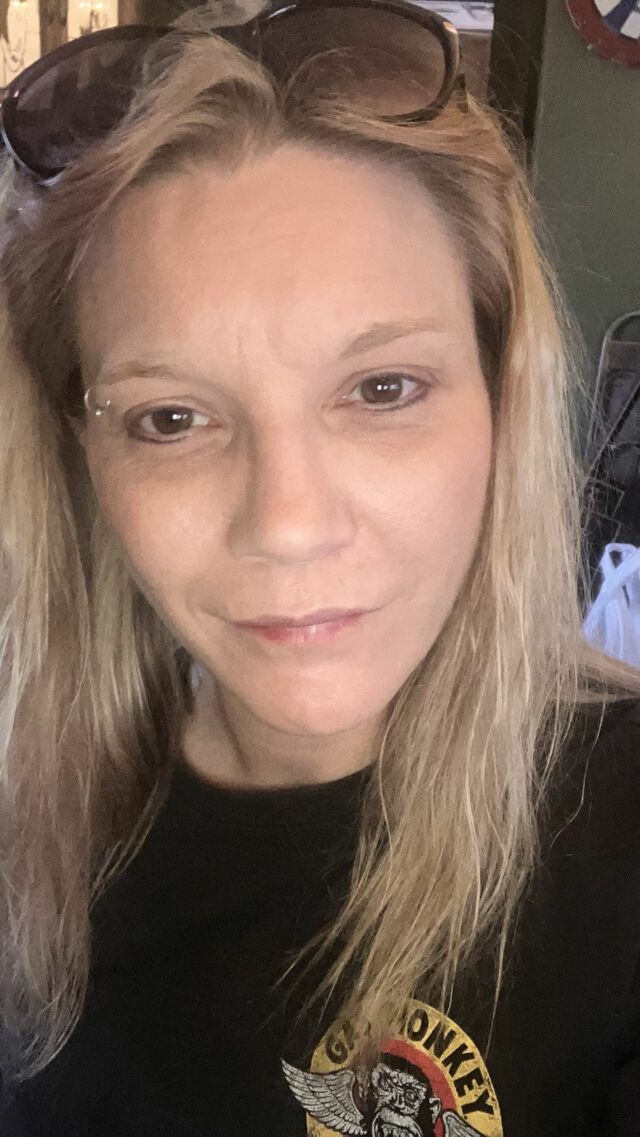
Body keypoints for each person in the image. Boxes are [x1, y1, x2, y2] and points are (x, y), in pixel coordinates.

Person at [0, 3, 638, 1135]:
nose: (288, 525)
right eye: (172, 417)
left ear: (501, 397)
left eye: (382, 390)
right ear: (79, 450)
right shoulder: (25, 818)